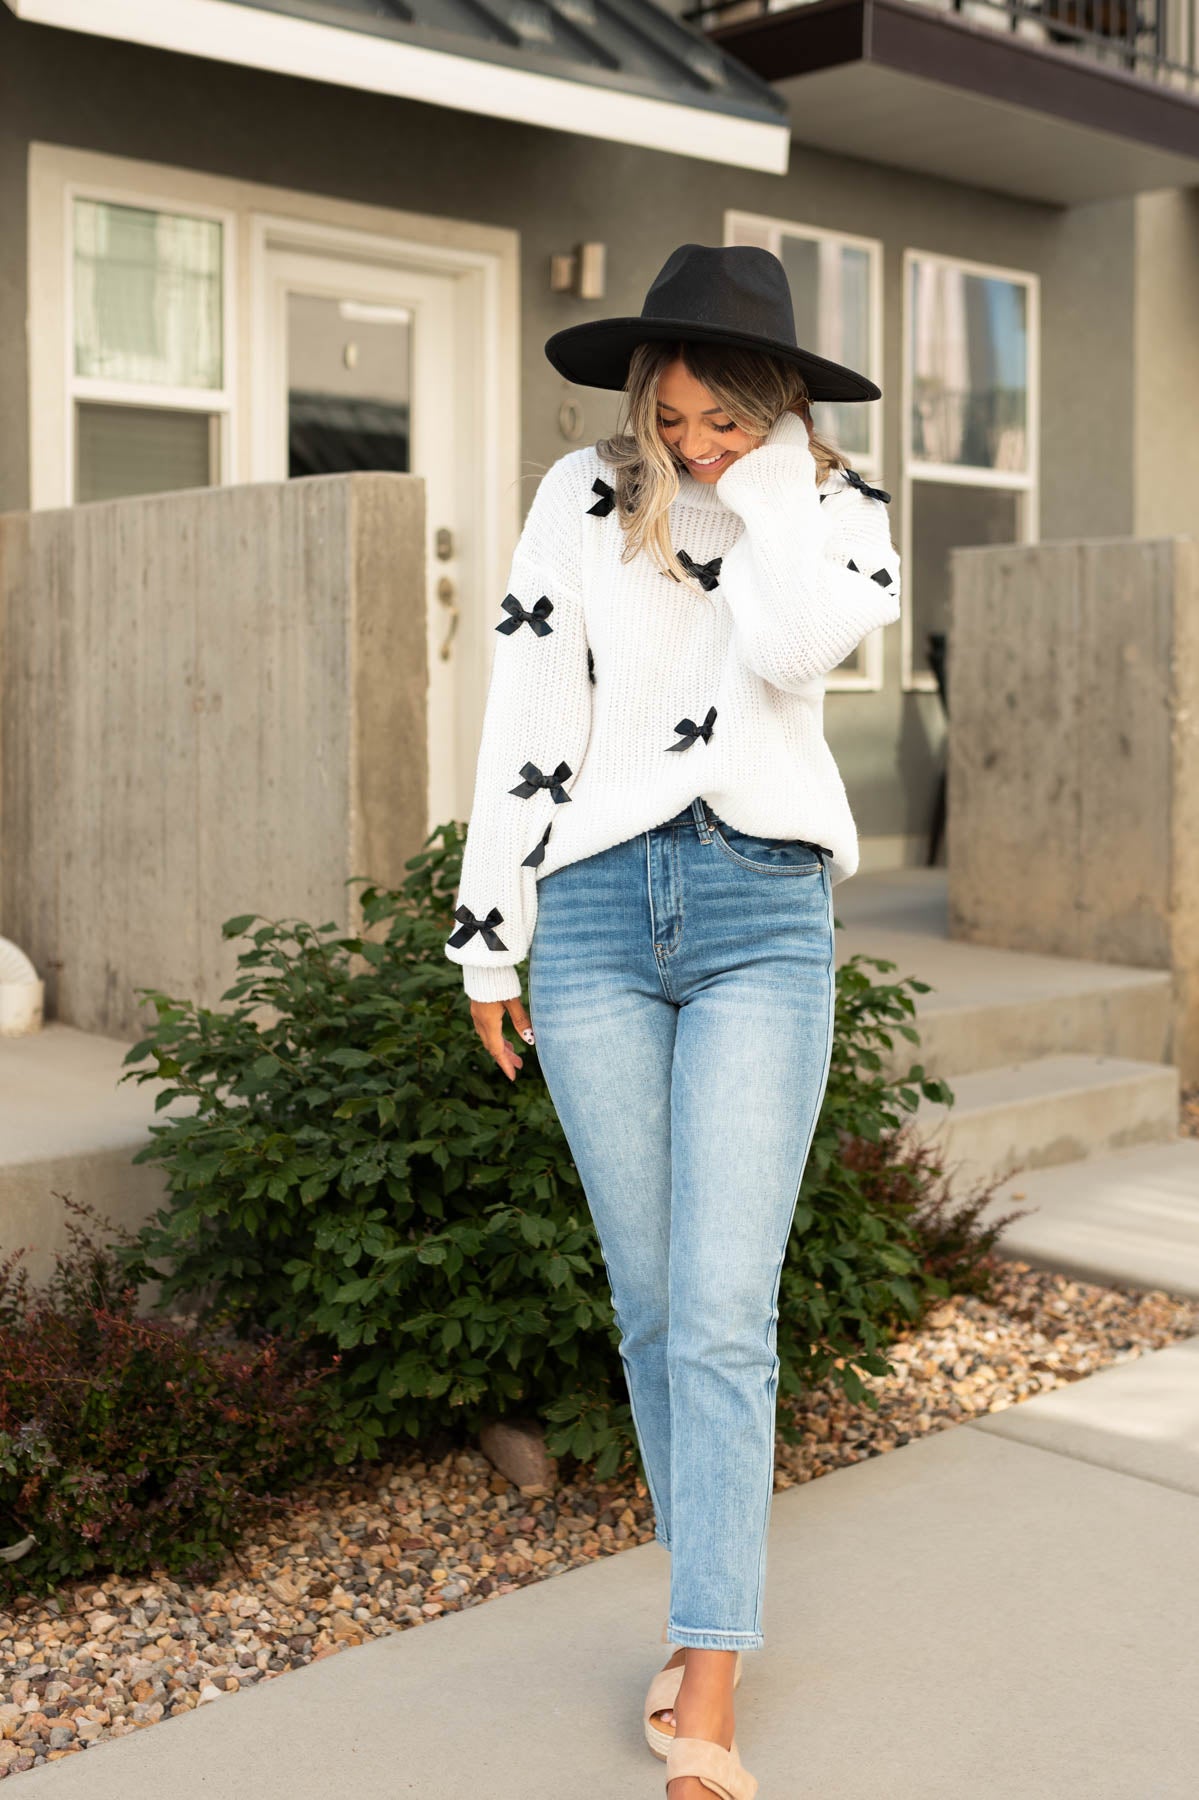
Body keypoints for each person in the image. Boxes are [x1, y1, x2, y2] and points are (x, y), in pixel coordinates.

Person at [444, 243, 901, 1800]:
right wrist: (487, 937)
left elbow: (786, 651)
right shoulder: (579, 499)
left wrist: (771, 480)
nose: (693, 445)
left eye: (725, 419)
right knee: (651, 1308)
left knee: (719, 1307)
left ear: (774, 408)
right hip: (588, 921)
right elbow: (527, 711)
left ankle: (707, 1680)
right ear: (643, 392)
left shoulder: (837, 518)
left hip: (762, 914)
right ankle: (697, 1610)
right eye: (678, 415)